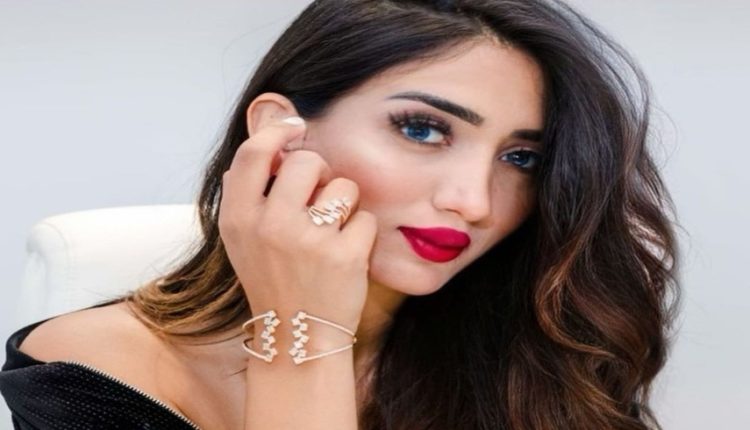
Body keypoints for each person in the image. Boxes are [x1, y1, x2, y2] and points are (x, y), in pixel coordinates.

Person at [0, 0, 681, 429]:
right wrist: (303, 327)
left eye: (522, 159)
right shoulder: (96, 368)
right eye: (423, 129)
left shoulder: (541, 352)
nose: (474, 201)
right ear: (280, 133)